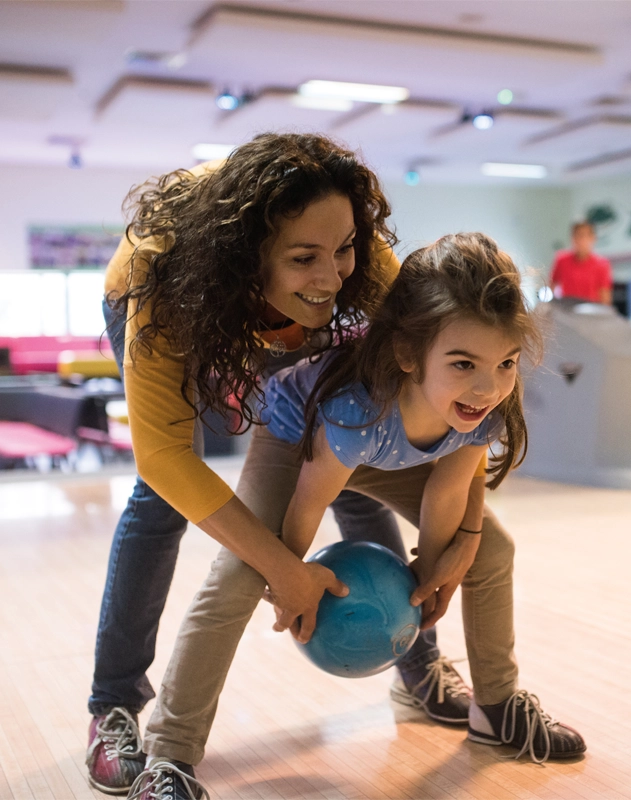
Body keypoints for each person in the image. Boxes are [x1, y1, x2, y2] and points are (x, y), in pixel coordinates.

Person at [128, 233, 587, 800]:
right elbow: (308, 502)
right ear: (406, 354)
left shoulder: (486, 399)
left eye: (506, 363)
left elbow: (448, 489)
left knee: (491, 548)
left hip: (377, 449)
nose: (487, 385)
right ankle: (168, 754)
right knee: (240, 574)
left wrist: (431, 576)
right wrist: (287, 579)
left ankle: (496, 709)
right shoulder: (358, 408)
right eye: (463, 363)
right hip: (297, 439)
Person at [87, 134, 471, 796]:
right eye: (304, 257)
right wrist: (282, 569)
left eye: (343, 249)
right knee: (159, 501)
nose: (331, 276)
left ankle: (418, 664)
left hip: (270, 302)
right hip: (165, 295)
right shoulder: (165, 278)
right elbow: (164, 459)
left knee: (350, 449)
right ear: (250, 260)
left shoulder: (358, 263)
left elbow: (456, 393)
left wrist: (462, 537)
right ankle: (112, 707)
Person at [550, 221, 613, 304]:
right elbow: (551, 286)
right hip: (566, 309)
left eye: (585, 236)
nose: (581, 240)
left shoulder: (602, 264)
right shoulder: (561, 260)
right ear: (572, 238)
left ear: (593, 238)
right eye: (578, 236)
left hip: (591, 311)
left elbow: (605, 297)